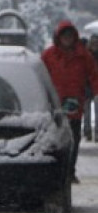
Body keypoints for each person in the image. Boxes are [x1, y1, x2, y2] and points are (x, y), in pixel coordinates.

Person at [41, 20, 98, 183]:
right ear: (59, 37)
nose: (67, 39)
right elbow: (39, 75)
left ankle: (69, 171)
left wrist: (96, 92)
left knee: (73, 138)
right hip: (54, 106)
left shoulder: (83, 55)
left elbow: (93, 74)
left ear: (75, 37)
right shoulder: (49, 55)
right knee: (54, 139)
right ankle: (57, 170)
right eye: (64, 36)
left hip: (74, 105)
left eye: (70, 36)